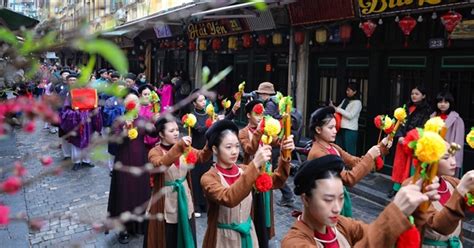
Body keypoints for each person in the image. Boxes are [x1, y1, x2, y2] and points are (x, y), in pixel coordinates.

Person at [281, 155, 441, 247]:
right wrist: (394, 214)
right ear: (306, 199)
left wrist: (415, 212)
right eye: (328, 199)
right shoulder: (294, 242)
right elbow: (380, 233)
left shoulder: (342, 226)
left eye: (341, 198)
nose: (337, 208)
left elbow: (381, 236)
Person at [200, 120, 295, 248]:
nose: (234, 151)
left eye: (236, 146)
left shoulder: (244, 170)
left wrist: (285, 153)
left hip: (249, 237)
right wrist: (255, 164)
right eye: (228, 147)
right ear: (215, 149)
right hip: (222, 239)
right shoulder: (208, 178)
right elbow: (229, 198)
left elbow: (277, 180)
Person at [307, 106, 390, 217]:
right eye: (331, 128)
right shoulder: (318, 153)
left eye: (335, 127)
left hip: (338, 198)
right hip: (327, 205)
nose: (335, 131)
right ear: (318, 129)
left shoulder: (332, 146)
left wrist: (381, 147)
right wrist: (370, 156)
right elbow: (348, 178)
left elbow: (354, 161)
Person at [145, 115, 213, 248]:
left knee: (186, 232)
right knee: (169, 236)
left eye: (177, 129)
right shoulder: (154, 152)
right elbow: (160, 164)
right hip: (165, 201)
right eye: (171, 131)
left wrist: (211, 143)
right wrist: (178, 147)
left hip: (184, 197)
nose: (176, 133)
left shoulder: (184, 148)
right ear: (161, 134)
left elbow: (201, 156)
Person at [404, 142, 474, 247]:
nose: (453, 162)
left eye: (453, 156)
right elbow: (441, 226)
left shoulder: (451, 182)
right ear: (429, 160)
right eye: (446, 158)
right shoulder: (415, 189)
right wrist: (460, 191)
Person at [106, 92, 155, 244]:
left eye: (137, 103)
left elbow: (153, 132)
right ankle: (124, 228)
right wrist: (124, 132)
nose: (135, 105)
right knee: (124, 194)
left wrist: (159, 121)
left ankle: (139, 225)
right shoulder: (119, 120)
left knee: (140, 192)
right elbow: (113, 141)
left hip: (140, 160)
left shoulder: (142, 120)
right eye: (131, 103)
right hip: (124, 162)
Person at [238, 100, 287, 248]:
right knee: (252, 207)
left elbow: (278, 141)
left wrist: (284, 127)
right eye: (256, 113)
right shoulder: (243, 132)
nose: (260, 116)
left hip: (266, 173)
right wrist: (259, 131)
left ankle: (264, 235)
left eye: (262, 114)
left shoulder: (267, 130)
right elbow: (249, 150)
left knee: (266, 208)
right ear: (248, 115)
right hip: (250, 174)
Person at [255, 82, 295, 207]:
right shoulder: (276, 102)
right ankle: (286, 195)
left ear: (265, 94)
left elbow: (265, 121)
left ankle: (287, 195)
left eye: (261, 93)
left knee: (273, 169)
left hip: (274, 140)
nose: (260, 96)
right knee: (274, 168)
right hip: (277, 139)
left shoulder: (271, 104)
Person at [389, 86, 432, 198]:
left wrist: (410, 138)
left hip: (414, 142)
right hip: (401, 140)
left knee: (412, 166)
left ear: (423, 96)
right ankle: (396, 188)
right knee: (400, 165)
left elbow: (423, 127)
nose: (414, 96)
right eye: (412, 93)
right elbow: (399, 123)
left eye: (417, 94)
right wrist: (399, 136)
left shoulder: (427, 110)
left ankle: (409, 188)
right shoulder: (406, 107)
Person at [59, 73, 102, 170]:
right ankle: (77, 161)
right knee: (76, 141)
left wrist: (96, 112)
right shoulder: (72, 93)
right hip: (76, 120)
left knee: (88, 141)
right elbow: (66, 108)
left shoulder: (93, 92)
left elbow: (97, 106)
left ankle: (87, 160)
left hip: (89, 120)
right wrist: (75, 114)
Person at [432, 91, 465, 177]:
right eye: (440, 102)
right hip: (434, 155)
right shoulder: (432, 117)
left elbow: (458, 142)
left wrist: (454, 160)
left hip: (448, 157)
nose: (442, 104)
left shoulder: (457, 120)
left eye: (446, 102)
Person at [189, 89, 211, 217]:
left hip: (207, 149)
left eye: (204, 100)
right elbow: (198, 130)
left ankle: (206, 204)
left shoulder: (209, 113)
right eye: (201, 100)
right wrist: (211, 124)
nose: (204, 102)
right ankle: (196, 205)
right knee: (196, 177)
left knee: (207, 176)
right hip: (196, 149)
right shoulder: (192, 116)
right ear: (194, 103)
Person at [331, 82, 362, 155]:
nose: (347, 92)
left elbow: (350, 115)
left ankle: (350, 166)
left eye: (349, 90)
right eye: (347, 90)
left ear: (354, 92)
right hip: (340, 128)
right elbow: (338, 109)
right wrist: (333, 107)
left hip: (350, 130)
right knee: (339, 149)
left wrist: (337, 109)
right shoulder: (345, 100)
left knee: (350, 152)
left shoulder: (357, 103)